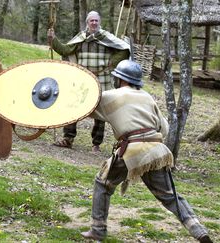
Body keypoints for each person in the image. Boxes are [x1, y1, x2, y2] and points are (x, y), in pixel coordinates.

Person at [81, 59, 212, 242]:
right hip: (157, 151)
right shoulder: (147, 96)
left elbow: (83, 107)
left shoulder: (111, 96)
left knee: (103, 184)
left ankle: (98, 229)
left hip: (131, 151)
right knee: (169, 196)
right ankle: (198, 230)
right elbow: (164, 128)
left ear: (120, 79)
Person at [47, 11, 130, 152]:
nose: (94, 23)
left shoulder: (106, 38)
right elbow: (65, 50)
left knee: (101, 112)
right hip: (83, 79)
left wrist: (111, 63)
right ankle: (68, 138)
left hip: (101, 79)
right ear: (87, 22)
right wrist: (53, 40)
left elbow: (124, 50)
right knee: (73, 105)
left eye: (96, 21)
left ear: (99, 22)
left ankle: (96, 144)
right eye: (91, 21)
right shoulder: (81, 38)